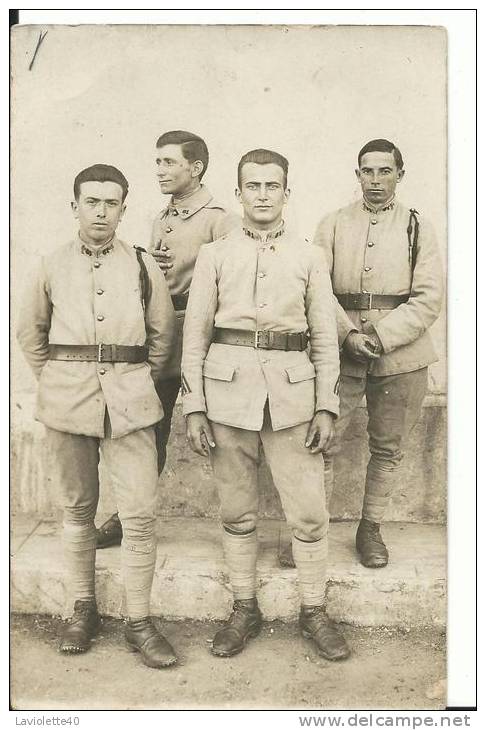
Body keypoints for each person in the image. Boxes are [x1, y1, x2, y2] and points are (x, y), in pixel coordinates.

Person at [181, 149, 350, 661]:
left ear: (286, 193)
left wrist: (326, 405)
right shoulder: (215, 255)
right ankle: (244, 606)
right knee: (236, 511)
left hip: (293, 399)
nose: (261, 195)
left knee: (309, 513)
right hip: (227, 396)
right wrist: (194, 405)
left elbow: (324, 337)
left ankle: (314, 609)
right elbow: (195, 335)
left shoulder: (308, 256)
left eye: (271, 186)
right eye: (251, 186)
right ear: (237, 193)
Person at [17, 164, 179, 668]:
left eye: (112, 203)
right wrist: (63, 382)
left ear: (124, 209)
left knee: (139, 513)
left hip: (131, 405)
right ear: (75, 206)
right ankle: (80, 610)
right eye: (92, 202)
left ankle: (139, 621)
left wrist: (133, 383)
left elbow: (163, 337)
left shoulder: (141, 265)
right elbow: (31, 336)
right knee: (76, 511)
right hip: (67, 404)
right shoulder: (50, 265)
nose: (102, 211)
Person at [280, 138, 444, 570]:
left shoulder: (417, 227)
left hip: (402, 356)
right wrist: (349, 334)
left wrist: (383, 336)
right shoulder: (333, 223)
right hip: (342, 351)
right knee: (322, 442)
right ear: (357, 175)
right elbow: (316, 289)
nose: (375, 180)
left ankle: (370, 527)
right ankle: (310, 531)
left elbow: (428, 299)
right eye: (367, 171)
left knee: (388, 448)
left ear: (400, 175)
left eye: (385, 171)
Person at [96, 130, 238, 549]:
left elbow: (229, 282)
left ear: (195, 168)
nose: (160, 170)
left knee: (225, 429)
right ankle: (128, 516)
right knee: (148, 430)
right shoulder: (162, 218)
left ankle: (238, 522)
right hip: (160, 335)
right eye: (157, 162)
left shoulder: (219, 219)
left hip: (204, 340)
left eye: (169, 162)